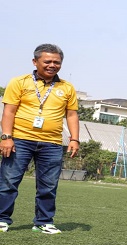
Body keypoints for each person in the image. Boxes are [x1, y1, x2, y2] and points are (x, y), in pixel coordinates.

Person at [0, 44, 80, 234]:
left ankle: (44, 222)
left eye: (57, 62)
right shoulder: (19, 82)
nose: (53, 65)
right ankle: (2, 219)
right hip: (19, 140)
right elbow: (8, 111)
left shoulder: (67, 87)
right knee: (9, 182)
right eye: (48, 61)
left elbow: (71, 115)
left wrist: (74, 139)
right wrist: (6, 137)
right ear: (35, 62)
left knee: (49, 185)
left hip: (52, 143)